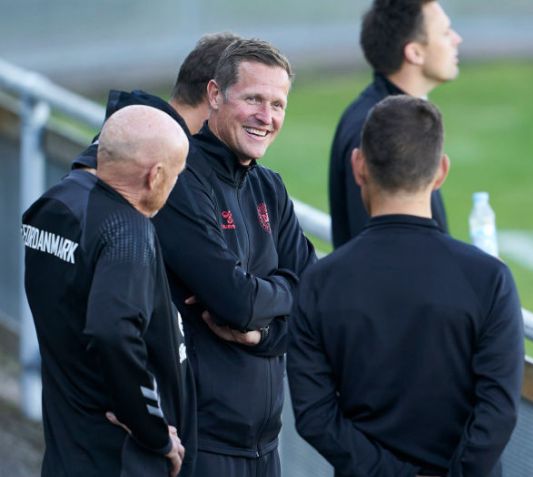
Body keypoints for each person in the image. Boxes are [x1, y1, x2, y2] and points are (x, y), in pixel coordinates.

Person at [289, 96, 523, 477]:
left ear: (358, 166)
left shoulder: (318, 283)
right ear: (441, 171)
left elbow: (315, 415)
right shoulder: (490, 279)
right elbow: (499, 410)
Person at [151, 38, 316, 477]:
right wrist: (279, 294)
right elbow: (235, 301)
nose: (266, 116)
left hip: (265, 446)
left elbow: (316, 300)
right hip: (201, 443)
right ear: (214, 95)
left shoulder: (269, 187)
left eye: (277, 104)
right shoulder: (182, 179)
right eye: (253, 99)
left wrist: (262, 335)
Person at [22, 105, 193, 476]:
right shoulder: (127, 231)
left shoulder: (57, 201)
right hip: (116, 459)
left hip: (65, 450)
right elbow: (111, 330)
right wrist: (152, 430)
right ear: (155, 176)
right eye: (176, 174)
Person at [328, 0, 462, 248]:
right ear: (415, 53)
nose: (457, 39)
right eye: (445, 32)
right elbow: (376, 250)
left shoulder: (393, 118)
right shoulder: (375, 129)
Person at [72, 32, 241, 171]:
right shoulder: (141, 138)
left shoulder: (160, 137)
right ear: (214, 94)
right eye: (249, 98)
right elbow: (82, 192)